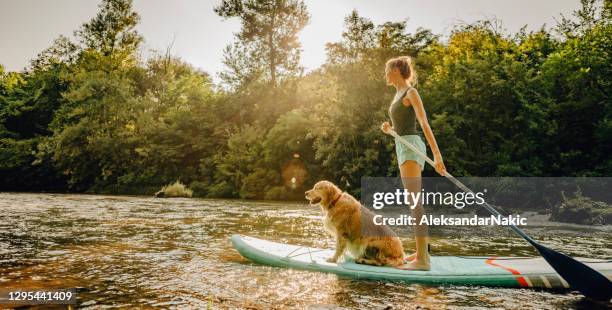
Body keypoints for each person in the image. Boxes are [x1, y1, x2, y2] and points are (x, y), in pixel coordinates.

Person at [380, 56, 446, 270]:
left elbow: (424, 124)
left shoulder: (411, 92)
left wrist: (437, 156)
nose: (386, 74)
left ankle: (423, 261)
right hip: (402, 145)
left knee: (415, 203)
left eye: (388, 69)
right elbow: (401, 125)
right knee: (412, 203)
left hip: (411, 147)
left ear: (397, 69)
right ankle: (420, 252)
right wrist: (389, 129)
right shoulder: (397, 94)